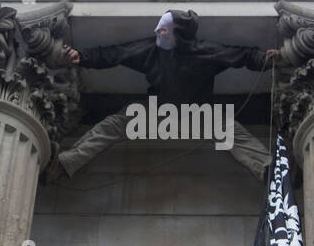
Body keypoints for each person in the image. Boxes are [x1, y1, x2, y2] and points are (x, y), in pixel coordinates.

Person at [47, 10, 278, 182]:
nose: (157, 31)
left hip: (199, 114)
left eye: (164, 29)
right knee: (113, 125)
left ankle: (273, 174)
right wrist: (83, 56)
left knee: (232, 132)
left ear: (179, 36)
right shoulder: (151, 50)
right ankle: (65, 164)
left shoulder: (205, 53)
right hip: (158, 111)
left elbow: (240, 55)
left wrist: (264, 59)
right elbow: (116, 54)